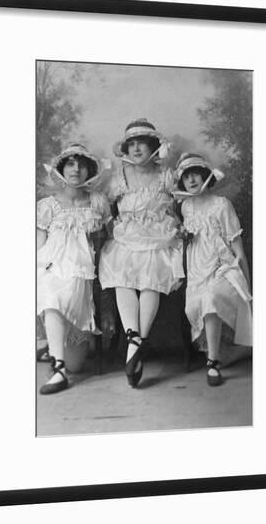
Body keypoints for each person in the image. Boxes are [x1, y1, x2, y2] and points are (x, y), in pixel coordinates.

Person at [99, 119, 184, 387]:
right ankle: (134, 339)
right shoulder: (119, 178)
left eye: (142, 144)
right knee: (120, 273)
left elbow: (185, 204)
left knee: (151, 276)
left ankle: (137, 342)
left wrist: (182, 226)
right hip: (126, 235)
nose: (136, 150)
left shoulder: (166, 175)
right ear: (126, 149)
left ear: (154, 148)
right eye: (132, 145)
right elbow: (106, 209)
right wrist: (113, 226)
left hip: (160, 235)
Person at [173, 152, 252, 386]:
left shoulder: (221, 205)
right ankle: (221, 354)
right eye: (186, 177)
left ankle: (213, 364)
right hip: (197, 269)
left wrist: (247, 281)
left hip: (223, 267)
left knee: (210, 298)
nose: (192, 180)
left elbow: (236, 245)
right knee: (196, 304)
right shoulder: (186, 207)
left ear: (206, 176)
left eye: (196, 173)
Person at [37, 144, 110, 394]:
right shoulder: (47, 205)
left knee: (78, 365)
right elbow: (38, 249)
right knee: (49, 293)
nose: (76, 168)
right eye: (70, 163)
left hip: (81, 271)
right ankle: (58, 369)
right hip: (50, 268)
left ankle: (56, 350)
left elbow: (111, 238)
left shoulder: (98, 202)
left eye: (81, 164)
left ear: (89, 170)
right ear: (61, 169)